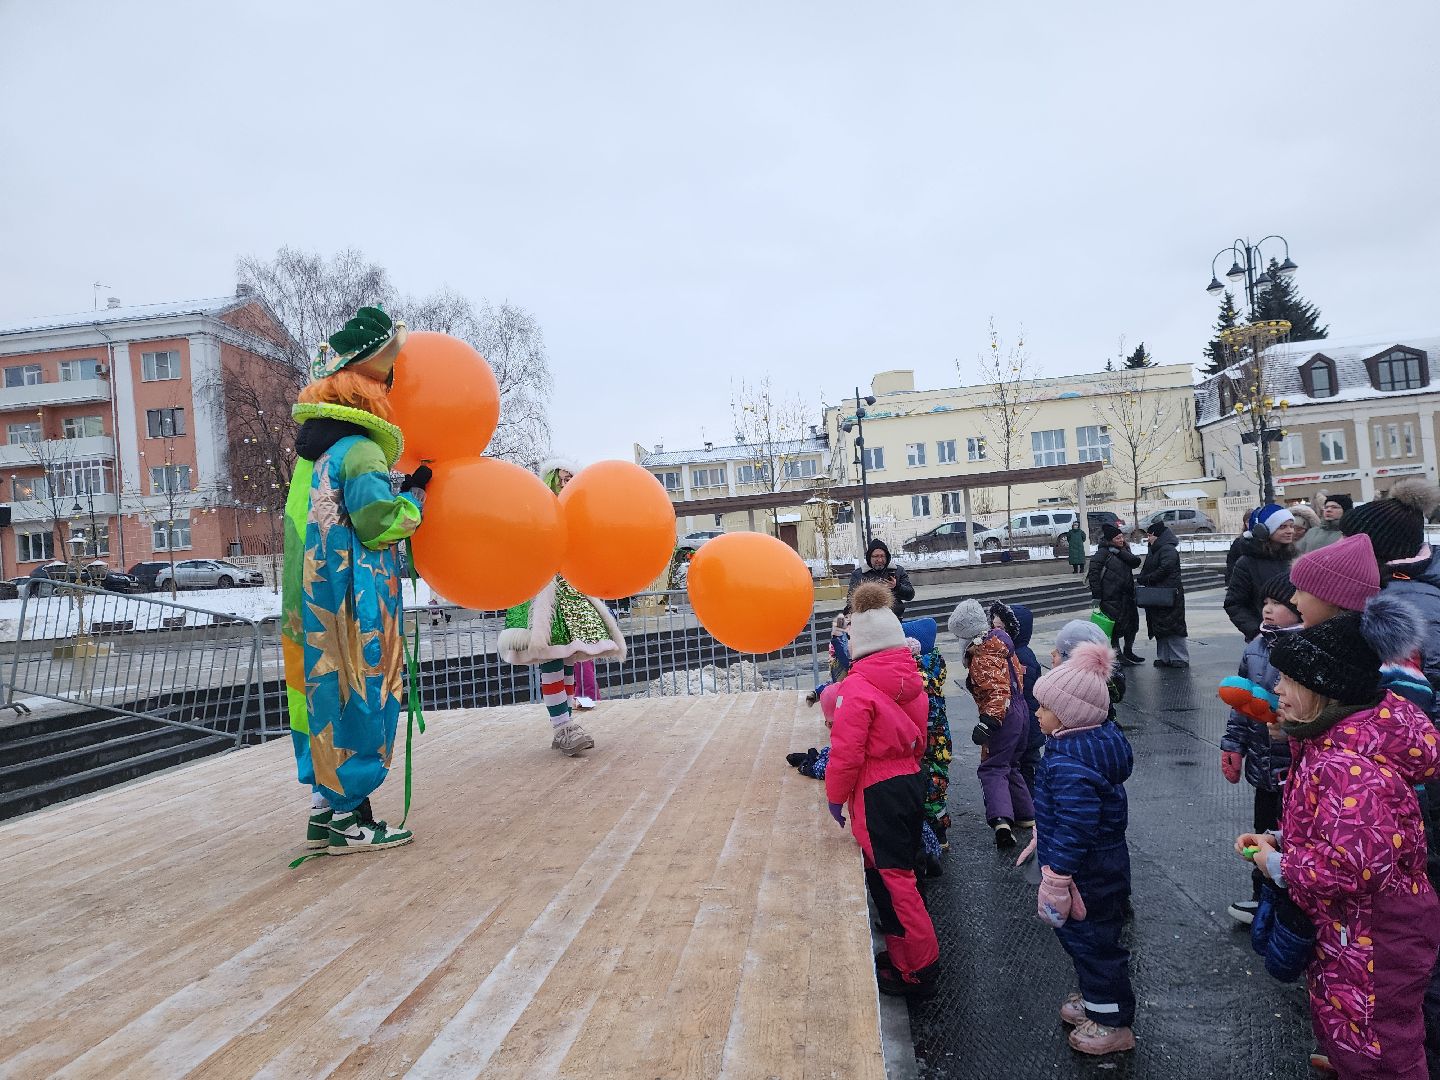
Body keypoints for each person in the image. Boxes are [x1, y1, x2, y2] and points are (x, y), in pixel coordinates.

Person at [1237, 605, 1440, 1080]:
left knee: (1384, 1044)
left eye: (1287, 680)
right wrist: (1282, 838)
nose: (1276, 690)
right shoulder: (1330, 742)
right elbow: (1340, 829)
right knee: (1350, 1017)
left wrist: (1279, 865)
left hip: (1374, 934)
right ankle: (1349, 1055)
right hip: (1352, 930)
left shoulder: (1347, 766)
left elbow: (1353, 867)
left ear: (1325, 690)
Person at [283, 306, 426, 854]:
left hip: (311, 602)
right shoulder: (362, 450)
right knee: (364, 693)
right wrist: (415, 498)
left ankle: (325, 811)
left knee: (322, 697)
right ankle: (352, 817)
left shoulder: (316, 456)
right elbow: (378, 522)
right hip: (354, 602)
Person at [1338, 478, 1440, 1075]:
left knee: (1411, 909)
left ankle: (1411, 1044)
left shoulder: (1401, 611)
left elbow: (1408, 708)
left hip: (1420, 779)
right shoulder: (1420, 593)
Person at [822, 581, 940, 997]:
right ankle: (906, 953)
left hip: (877, 791)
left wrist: (835, 797)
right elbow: (921, 737)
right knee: (906, 872)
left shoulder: (857, 686)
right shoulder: (912, 679)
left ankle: (916, 968)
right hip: (909, 780)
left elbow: (846, 752)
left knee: (894, 882)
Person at [1030, 641, 1137, 1056]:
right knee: (1083, 937)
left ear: (1069, 716)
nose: (1037, 713)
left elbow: (1077, 824)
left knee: (1094, 940)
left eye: (1044, 708)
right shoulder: (1080, 747)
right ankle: (1096, 999)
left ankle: (1113, 1023)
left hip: (1087, 870)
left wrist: (1057, 872)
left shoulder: (1071, 764)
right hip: (1094, 864)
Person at [500, 459, 627, 755]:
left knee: (568, 658)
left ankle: (566, 723)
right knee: (552, 659)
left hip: (570, 591)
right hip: (543, 591)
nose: (568, 483)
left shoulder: (574, 513)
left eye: (572, 478)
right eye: (564, 478)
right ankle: (562, 726)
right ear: (552, 479)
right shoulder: (538, 511)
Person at [1218, 574, 1302, 924]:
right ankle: (1261, 896)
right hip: (1262, 765)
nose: (1267, 609)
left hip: (1294, 764)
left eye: (1278, 604)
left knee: (1295, 834)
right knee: (1262, 830)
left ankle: (1295, 900)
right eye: (1265, 602)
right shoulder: (1255, 646)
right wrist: (1233, 744)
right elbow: (1241, 703)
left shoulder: (1305, 646)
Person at [948, 598, 1033, 848]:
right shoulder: (1001, 644)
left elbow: (998, 691)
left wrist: (988, 722)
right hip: (1020, 710)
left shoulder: (984, 654)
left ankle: (1001, 821)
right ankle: (1026, 814)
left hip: (1003, 716)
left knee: (993, 767)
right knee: (1012, 764)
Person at [905, 616, 953, 850]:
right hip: (942, 740)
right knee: (938, 786)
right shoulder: (936, 665)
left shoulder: (915, 674)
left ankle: (933, 836)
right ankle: (941, 832)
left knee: (927, 787)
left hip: (924, 740)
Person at [1225, 504, 1299, 641]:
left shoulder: (1296, 557)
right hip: (1265, 637)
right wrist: (1256, 632)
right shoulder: (1247, 563)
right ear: (1263, 531)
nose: (1290, 531)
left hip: (1298, 633)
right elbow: (1235, 603)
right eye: (1282, 527)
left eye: (1291, 526)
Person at [1087, 523, 1142, 664]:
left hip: (1128, 596)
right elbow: (1093, 574)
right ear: (1110, 539)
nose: (1121, 540)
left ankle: (1128, 651)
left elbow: (1136, 562)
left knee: (1132, 626)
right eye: (1117, 538)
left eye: (1121, 536)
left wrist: (1120, 552)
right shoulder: (1102, 553)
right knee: (1115, 628)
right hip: (1111, 597)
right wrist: (1097, 596)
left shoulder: (1123, 550)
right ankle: (1117, 655)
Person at [1137, 518, 1189, 668]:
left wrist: (1146, 579)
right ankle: (1165, 657)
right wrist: (1144, 577)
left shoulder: (1167, 549)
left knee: (1173, 626)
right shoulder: (1156, 549)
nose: (1148, 539)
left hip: (1169, 595)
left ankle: (1179, 657)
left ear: (1156, 535)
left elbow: (1164, 569)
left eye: (1150, 536)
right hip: (1159, 595)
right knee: (1160, 626)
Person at [1011, 604, 1045, 797]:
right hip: (1030, 724)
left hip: (1028, 726)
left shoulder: (1021, 658)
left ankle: (1033, 801)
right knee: (1027, 763)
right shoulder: (1022, 653)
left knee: (1029, 764)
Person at [846, 540, 915, 618]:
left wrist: (897, 587)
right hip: (868, 620)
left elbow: (910, 595)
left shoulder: (898, 570)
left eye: (882, 556)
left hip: (894, 618)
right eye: (876, 556)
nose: (880, 560)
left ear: (887, 556)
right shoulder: (859, 574)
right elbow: (850, 601)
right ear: (869, 557)